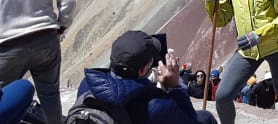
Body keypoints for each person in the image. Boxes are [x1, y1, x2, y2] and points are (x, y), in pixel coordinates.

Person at [0, 0, 77, 124]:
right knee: (50, 94)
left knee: (3, 100)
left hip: (7, 49)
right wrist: (60, 26)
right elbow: (68, 1)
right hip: (46, 42)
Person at [74, 30, 216, 123]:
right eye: (150, 62)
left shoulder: (87, 84)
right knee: (206, 117)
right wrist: (175, 86)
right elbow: (191, 120)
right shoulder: (156, 106)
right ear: (143, 70)